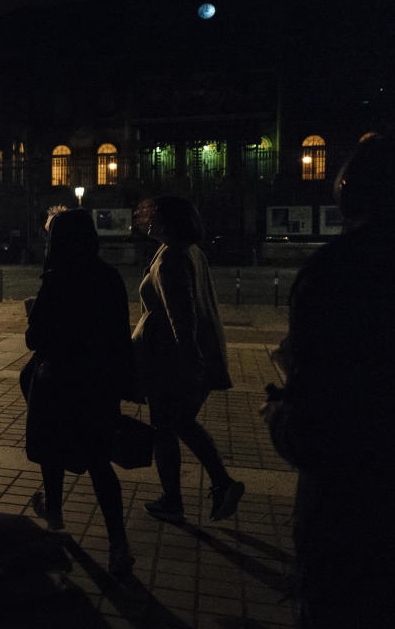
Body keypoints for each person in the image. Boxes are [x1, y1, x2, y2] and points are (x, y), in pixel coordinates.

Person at [261, 136, 395, 628]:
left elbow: (319, 427)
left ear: (347, 191)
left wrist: (281, 410)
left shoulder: (340, 271)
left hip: (354, 515)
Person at [24, 209, 135, 576]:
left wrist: (33, 315)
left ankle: (55, 521)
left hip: (59, 381)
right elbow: (120, 334)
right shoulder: (109, 277)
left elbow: (35, 339)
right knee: (100, 463)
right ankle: (118, 543)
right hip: (99, 382)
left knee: (53, 455)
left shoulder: (56, 280)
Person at [132, 195, 244, 524]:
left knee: (164, 429)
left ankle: (174, 499)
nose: (144, 218)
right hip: (191, 357)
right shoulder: (189, 251)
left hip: (171, 361)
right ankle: (222, 483)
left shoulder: (171, 259)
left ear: (166, 220)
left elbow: (182, 315)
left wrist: (188, 361)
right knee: (182, 423)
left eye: (150, 214)